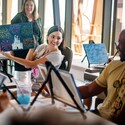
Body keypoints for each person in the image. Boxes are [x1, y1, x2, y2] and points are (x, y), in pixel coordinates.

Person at [78, 29, 125, 125]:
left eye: (121, 43)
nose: (118, 47)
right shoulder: (113, 66)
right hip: (100, 115)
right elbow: (89, 89)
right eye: (118, 43)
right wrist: (66, 90)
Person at [0, 25, 65, 85]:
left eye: (58, 38)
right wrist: (32, 48)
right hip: (32, 83)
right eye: (53, 36)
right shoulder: (42, 47)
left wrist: (10, 57)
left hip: (44, 87)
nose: (55, 40)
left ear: (62, 40)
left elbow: (31, 64)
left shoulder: (56, 56)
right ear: (47, 37)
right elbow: (27, 65)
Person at [11, 0, 43, 83]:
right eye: (27, 5)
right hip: (21, 51)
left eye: (31, 5)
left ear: (34, 6)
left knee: (33, 77)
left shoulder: (38, 19)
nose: (29, 7)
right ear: (24, 6)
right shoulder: (18, 17)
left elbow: (40, 36)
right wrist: (11, 52)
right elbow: (12, 33)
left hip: (34, 51)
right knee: (21, 78)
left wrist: (42, 49)